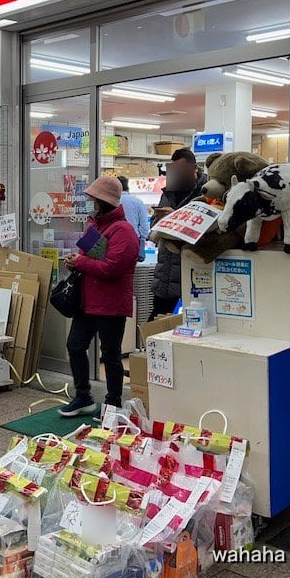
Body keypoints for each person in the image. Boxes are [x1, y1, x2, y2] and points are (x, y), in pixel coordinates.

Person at [59, 175, 139, 416]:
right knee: (75, 345)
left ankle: (113, 403)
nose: (91, 202)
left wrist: (81, 262)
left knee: (111, 354)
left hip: (112, 304)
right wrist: (75, 262)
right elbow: (89, 258)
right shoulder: (95, 226)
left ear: (104, 200)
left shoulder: (124, 231)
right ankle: (83, 396)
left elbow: (112, 268)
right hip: (88, 300)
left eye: (94, 198)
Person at [148, 148, 208, 319]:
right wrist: (159, 220)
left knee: (190, 323)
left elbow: (203, 230)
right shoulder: (168, 192)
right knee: (158, 323)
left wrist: (174, 216)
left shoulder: (206, 193)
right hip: (165, 273)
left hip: (192, 273)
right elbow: (154, 225)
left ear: (194, 168)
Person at [117, 175, 150, 262]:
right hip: (134, 240)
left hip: (115, 240)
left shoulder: (113, 201)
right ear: (127, 187)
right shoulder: (137, 202)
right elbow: (144, 225)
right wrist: (143, 240)